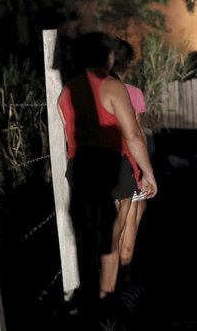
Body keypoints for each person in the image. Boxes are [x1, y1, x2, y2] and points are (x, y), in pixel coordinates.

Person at [57, 31, 158, 317]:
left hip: (79, 167)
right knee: (111, 237)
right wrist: (148, 173)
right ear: (108, 57)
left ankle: (89, 299)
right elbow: (134, 136)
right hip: (111, 166)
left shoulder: (66, 90)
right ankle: (107, 305)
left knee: (89, 234)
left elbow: (68, 135)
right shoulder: (113, 87)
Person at [111, 38, 152, 284]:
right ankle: (122, 279)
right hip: (127, 164)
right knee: (130, 220)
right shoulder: (133, 93)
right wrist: (146, 171)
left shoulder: (89, 93)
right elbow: (137, 134)